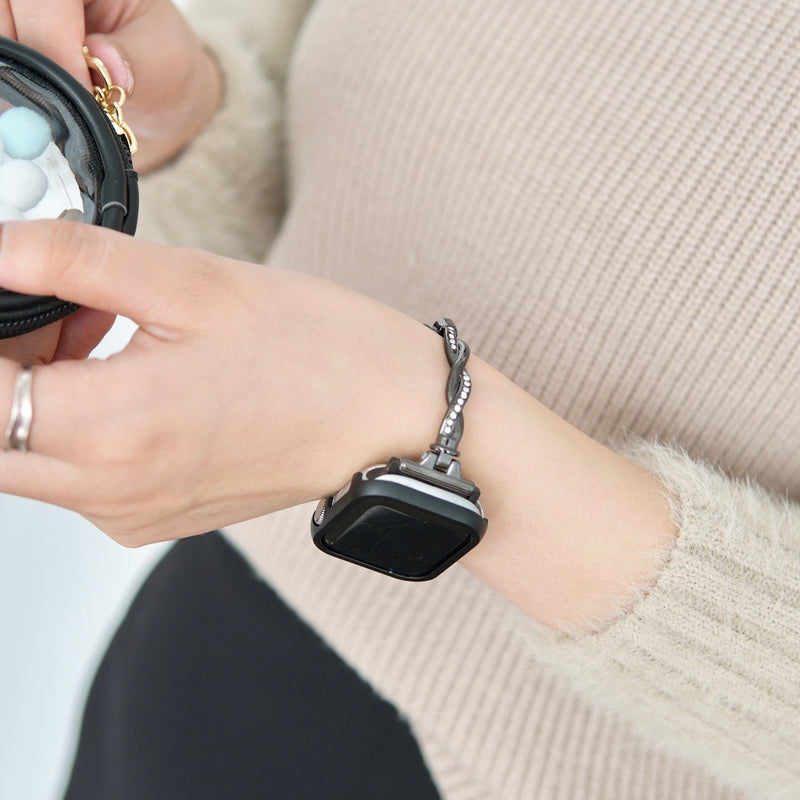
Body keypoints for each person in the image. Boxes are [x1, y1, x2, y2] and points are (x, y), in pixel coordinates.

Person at [0, 0, 798, 797]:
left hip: (534, 765)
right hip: (215, 621)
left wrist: (417, 422)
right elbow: (319, 178)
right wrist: (178, 124)